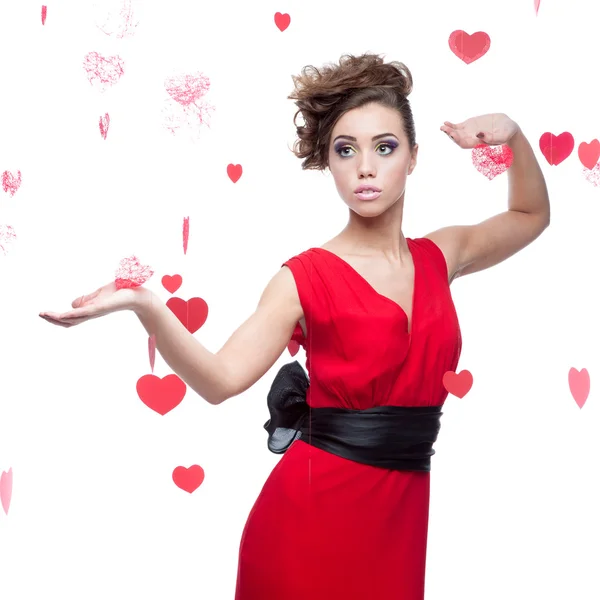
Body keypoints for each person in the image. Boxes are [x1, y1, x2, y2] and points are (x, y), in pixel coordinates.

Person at [40, 53, 550, 599]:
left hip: (398, 527)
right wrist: (146, 305)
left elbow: (530, 215)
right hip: (307, 523)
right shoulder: (303, 278)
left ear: (414, 157)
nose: (366, 167)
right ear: (329, 164)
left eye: (385, 147)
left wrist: (514, 137)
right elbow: (219, 380)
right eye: (345, 150)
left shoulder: (442, 255)